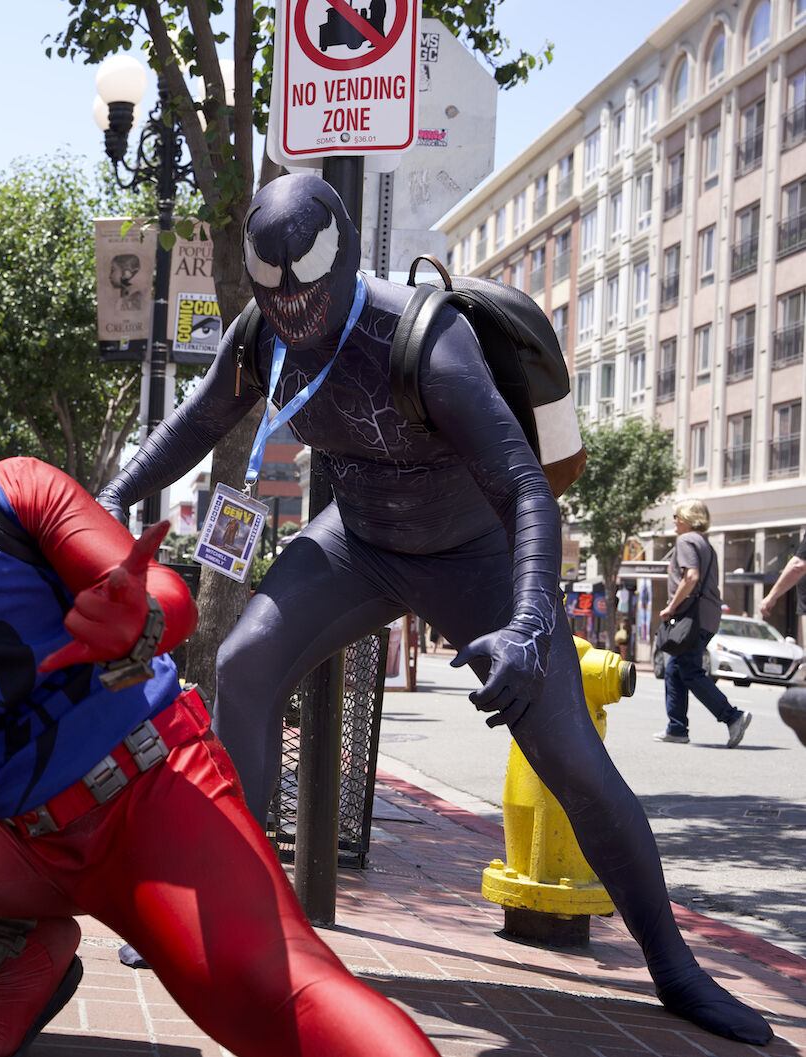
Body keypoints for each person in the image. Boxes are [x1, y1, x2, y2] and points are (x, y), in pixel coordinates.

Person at [94, 172, 771, 1046]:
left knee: (569, 756)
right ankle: (230, 909)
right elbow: (192, 425)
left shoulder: (425, 337)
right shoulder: (263, 334)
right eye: (277, 296)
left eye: (309, 294)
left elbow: (528, 486)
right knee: (243, 662)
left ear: (343, 260)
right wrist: (110, 497)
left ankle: (676, 967)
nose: (294, 313)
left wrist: (529, 623)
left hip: (474, 559)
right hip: (361, 543)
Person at [0, 378, 440, 1057]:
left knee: (271, 991)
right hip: (15, 842)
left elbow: (148, 587)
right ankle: (20, 945)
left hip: (153, 793)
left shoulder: (10, 496)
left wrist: (141, 617)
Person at [655, 500, 751, 749]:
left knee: (688, 671)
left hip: (691, 616)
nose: (674, 520)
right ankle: (676, 728)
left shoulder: (686, 541)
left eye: (676, 516)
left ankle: (732, 716)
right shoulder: (706, 543)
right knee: (675, 670)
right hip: (707, 615)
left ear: (687, 517)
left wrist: (671, 607)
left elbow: (691, 577)